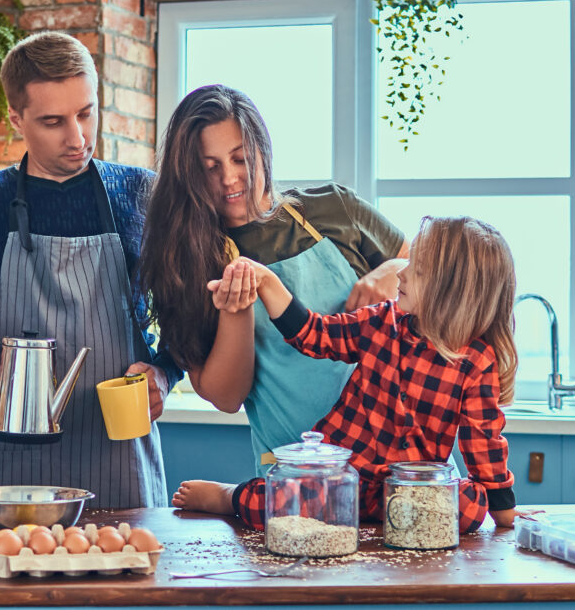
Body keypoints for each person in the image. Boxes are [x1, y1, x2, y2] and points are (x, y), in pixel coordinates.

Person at [0, 32, 180, 540]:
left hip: (120, 456)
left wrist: (165, 373)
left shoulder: (141, 193)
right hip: (13, 468)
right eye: (53, 122)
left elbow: (185, 319)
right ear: (16, 119)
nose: (77, 137)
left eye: (86, 113)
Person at [175, 216, 519, 533]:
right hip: (340, 478)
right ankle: (227, 496)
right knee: (279, 505)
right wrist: (267, 282)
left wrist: (503, 512)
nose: (401, 273)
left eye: (418, 270)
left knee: (471, 510)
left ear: (452, 291)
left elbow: (484, 443)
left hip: (406, 490)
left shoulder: (477, 363)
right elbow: (313, 334)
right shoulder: (381, 322)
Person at [139, 84, 408, 475]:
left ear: (262, 151)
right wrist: (237, 311)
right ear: (188, 176)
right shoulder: (186, 262)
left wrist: (389, 271)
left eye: (240, 159)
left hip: (400, 457)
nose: (229, 179)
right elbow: (226, 397)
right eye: (209, 167)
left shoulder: (334, 209)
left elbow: (430, 270)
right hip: (296, 475)